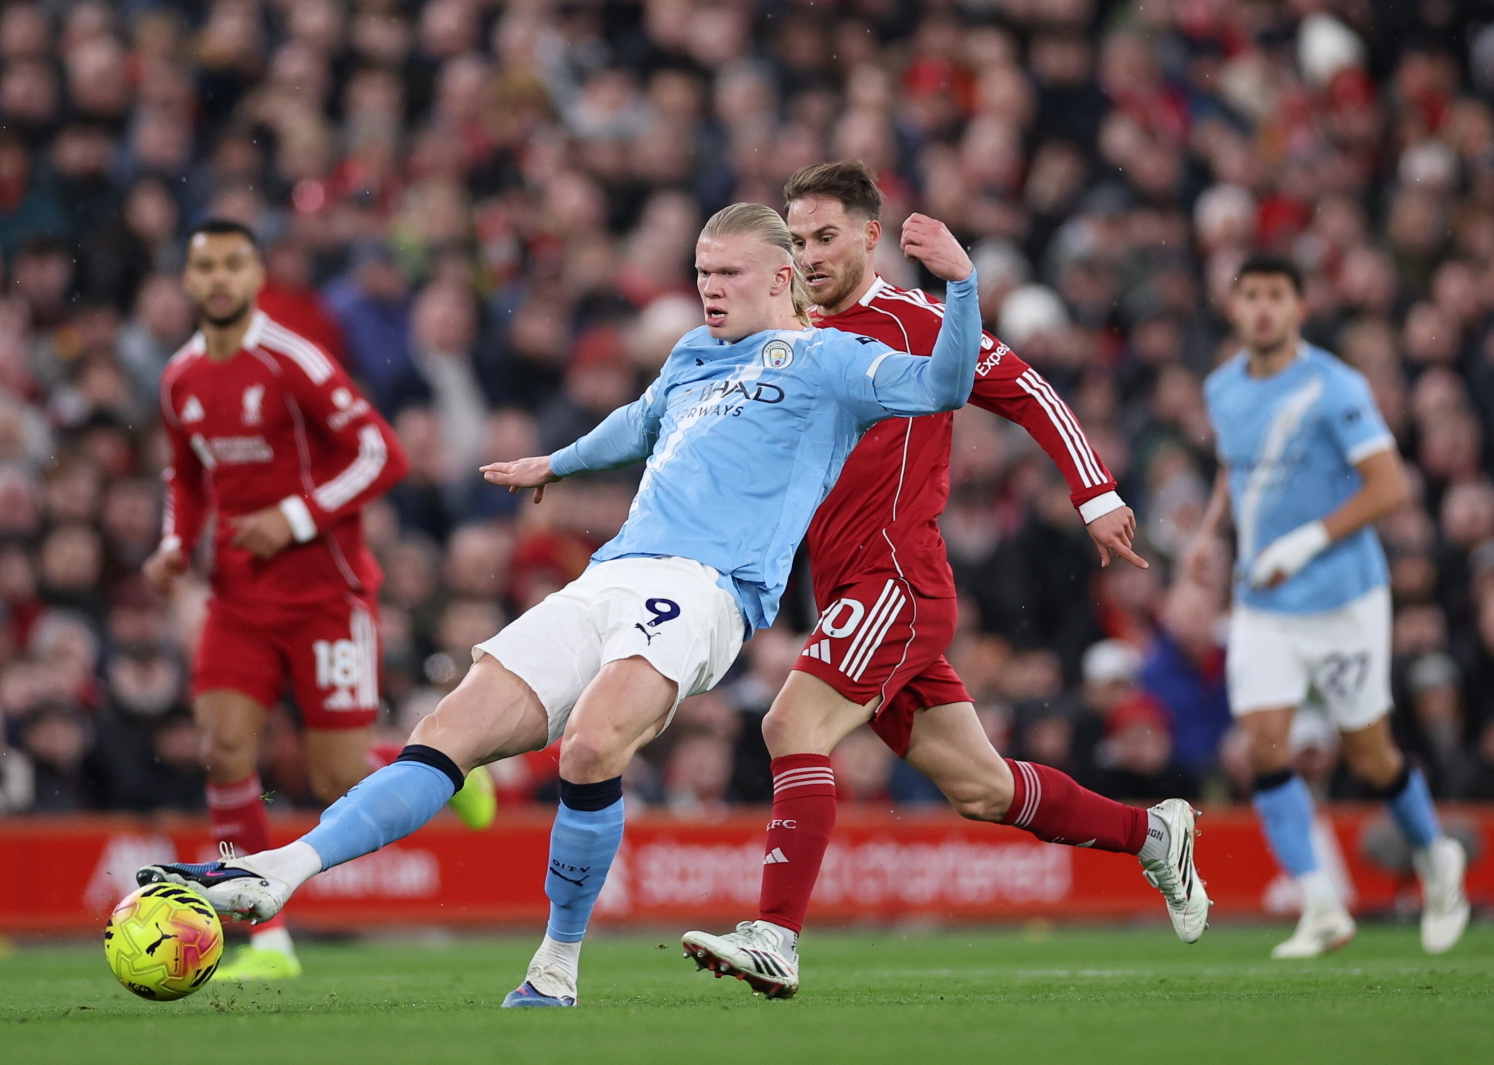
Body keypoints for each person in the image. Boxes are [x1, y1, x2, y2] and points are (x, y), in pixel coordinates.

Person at [138, 202, 983, 1008]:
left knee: (589, 745)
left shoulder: (831, 360)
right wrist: (556, 462)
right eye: (701, 272)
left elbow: (945, 384)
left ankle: (556, 962)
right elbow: (640, 422)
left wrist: (960, 285)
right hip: (610, 574)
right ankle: (279, 871)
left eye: (728, 273)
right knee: (445, 731)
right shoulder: (694, 351)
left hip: (706, 589)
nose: (710, 288)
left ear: (781, 276)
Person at [682, 162, 1207, 1000]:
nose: (809, 255)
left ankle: (775, 936)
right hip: (846, 590)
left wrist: (1095, 492)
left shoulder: (920, 321)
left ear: (869, 236)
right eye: (798, 239)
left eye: (826, 237)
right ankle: (1154, 834)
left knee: (790, 724)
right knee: (983, 788)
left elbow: (1028, 389)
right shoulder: (786, 329)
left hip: (895, 581)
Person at [140, 219, 493, 982]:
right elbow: (185, 476)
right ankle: (267, 941)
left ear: (256, 276)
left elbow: (383, 453)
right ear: (189, 281)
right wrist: (175, 544)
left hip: (325, 596)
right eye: (206, 266)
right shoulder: (180, 377)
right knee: (223, 749)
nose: (220, 278)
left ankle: (436, 764)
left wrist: (294, 518)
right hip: (238, 600)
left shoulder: (293, 361)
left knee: (336, 778)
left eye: (234, 264)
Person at [1181, 252, 1469, 959]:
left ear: (1300, 307)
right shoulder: (1222, 388)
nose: (1263, 309)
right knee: (1262, 744)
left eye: (1276, 295)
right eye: (1251, 295)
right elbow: (1237, 467)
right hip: (1263, 600)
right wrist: (1210, 533)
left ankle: (1436, 855)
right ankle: (1319, 905)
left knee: (1369, 754)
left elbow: (1388, 487)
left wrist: (1306, 541)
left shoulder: (1335, 386)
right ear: (1234, 308)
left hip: (1343, 599)